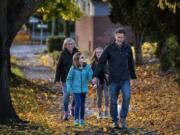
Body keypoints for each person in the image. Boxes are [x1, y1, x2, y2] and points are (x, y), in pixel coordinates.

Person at [92, 28, 137, 129]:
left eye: (121, 37)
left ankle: (123, 118)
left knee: (127, 97)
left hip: (125, 78)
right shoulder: (109, 48)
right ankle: (115, 120)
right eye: (118, 37)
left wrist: (133, 77)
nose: (120, 39)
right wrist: (95, 75)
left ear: (124, 37)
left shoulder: (128, 48)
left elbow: (131, 63)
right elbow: (101, 62)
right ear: (115, 36)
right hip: (113, 79)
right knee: (113, 100)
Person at [54, 37, 78, 121]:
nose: (70, 45)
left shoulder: (77, 53)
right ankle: (66, 113)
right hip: (65, 79)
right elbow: (59, 67)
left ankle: (72, 107)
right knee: (66, 95)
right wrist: (57, 79)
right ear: (65, 45)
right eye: (68, 44)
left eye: (71, 44)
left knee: (76, 95)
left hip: (76, 79)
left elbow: (82, 64)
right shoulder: (63, 54)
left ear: (74, 45)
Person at [66, 52, 93, 126]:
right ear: (77, 59)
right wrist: (69, 89)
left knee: (83, 104)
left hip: (83, 90)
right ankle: (76, 119)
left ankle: (81, 119)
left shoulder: (86, 67)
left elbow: (89, 77)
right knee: (78, 103)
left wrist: (90, 72)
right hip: (75, 90)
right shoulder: (73, 68)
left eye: (83, 57)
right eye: (81, 58)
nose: (83, 59)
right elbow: (69, 79)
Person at [90, 47, 109, 119]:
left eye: (100, 52)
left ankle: (106, 111)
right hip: (97, 82)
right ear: (95, 53)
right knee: (99, 97)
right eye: (97, 52)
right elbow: (91, 74)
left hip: (105, 81)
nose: (98, 54)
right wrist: (93, 83)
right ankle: (99, 112)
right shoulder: (93, 63)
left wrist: (108, 76)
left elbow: (109, 71)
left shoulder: (106, 61)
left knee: (107, 96)